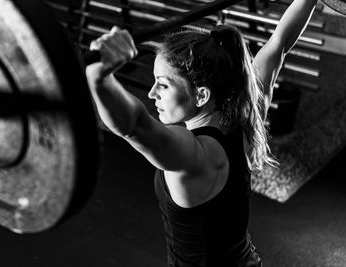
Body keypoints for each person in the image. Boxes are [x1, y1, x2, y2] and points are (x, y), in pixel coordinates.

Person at [85, 0, 318, 265]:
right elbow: (279, 44)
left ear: (201, 95)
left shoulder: (196, 156)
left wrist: (99, 76)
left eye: (163, 85)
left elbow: (134, 126)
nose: (152, 94)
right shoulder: (246, 111)